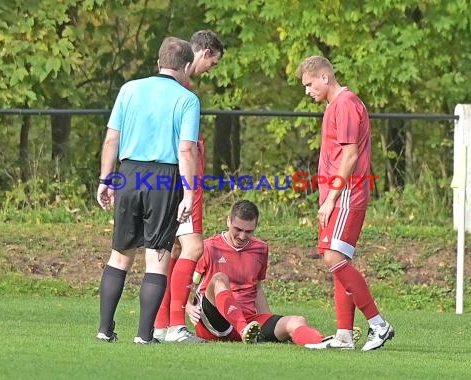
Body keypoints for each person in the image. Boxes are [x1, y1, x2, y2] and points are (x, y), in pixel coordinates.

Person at [95, 37, 199, 344]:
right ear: (188, 66)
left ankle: (104, 330)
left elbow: (112, 139)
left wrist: (106, 179)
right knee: (157, 258)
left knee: (120, 255)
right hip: (164, 178)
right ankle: (144, 335)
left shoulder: (129, 89)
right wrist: (190, 193)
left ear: (159, 62)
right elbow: (187, 150)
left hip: (128, 173)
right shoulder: (187, 99)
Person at [296, 56, 395, 351]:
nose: (307, 90)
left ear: (325, 77)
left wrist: (332, 198)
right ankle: (343, 336)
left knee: (333, 257)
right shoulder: (333, 106)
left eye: (309, 84)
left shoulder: (346, 104)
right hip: (334, 195)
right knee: (337, 259)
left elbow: (350, 156)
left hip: (348, 194)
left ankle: (379, 324)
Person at [153, 30, 224, 343]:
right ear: (205, 52)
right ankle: (175, 326)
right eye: (214, 62)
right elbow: (184, 144)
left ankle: (161, 323)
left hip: (163, 177)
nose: (211, 69)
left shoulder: (165, 85)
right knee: (194, 247)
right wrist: (190, 185)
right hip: (183, 178)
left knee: (171, 250)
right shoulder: (183, 88)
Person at [185, 200, 331, 347]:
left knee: (296, 321)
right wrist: (188, 306)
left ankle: (322, 343)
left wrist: (268, 319)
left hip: (250, 324)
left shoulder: (260, 249)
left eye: (248, 231)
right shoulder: (209, 247)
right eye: (238, 229)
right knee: (219, 279)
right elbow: (185, 281)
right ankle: (243, 330)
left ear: (256, 227)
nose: (242, 236)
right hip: (214, 321)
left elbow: (257, 287)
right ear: (228, 221)